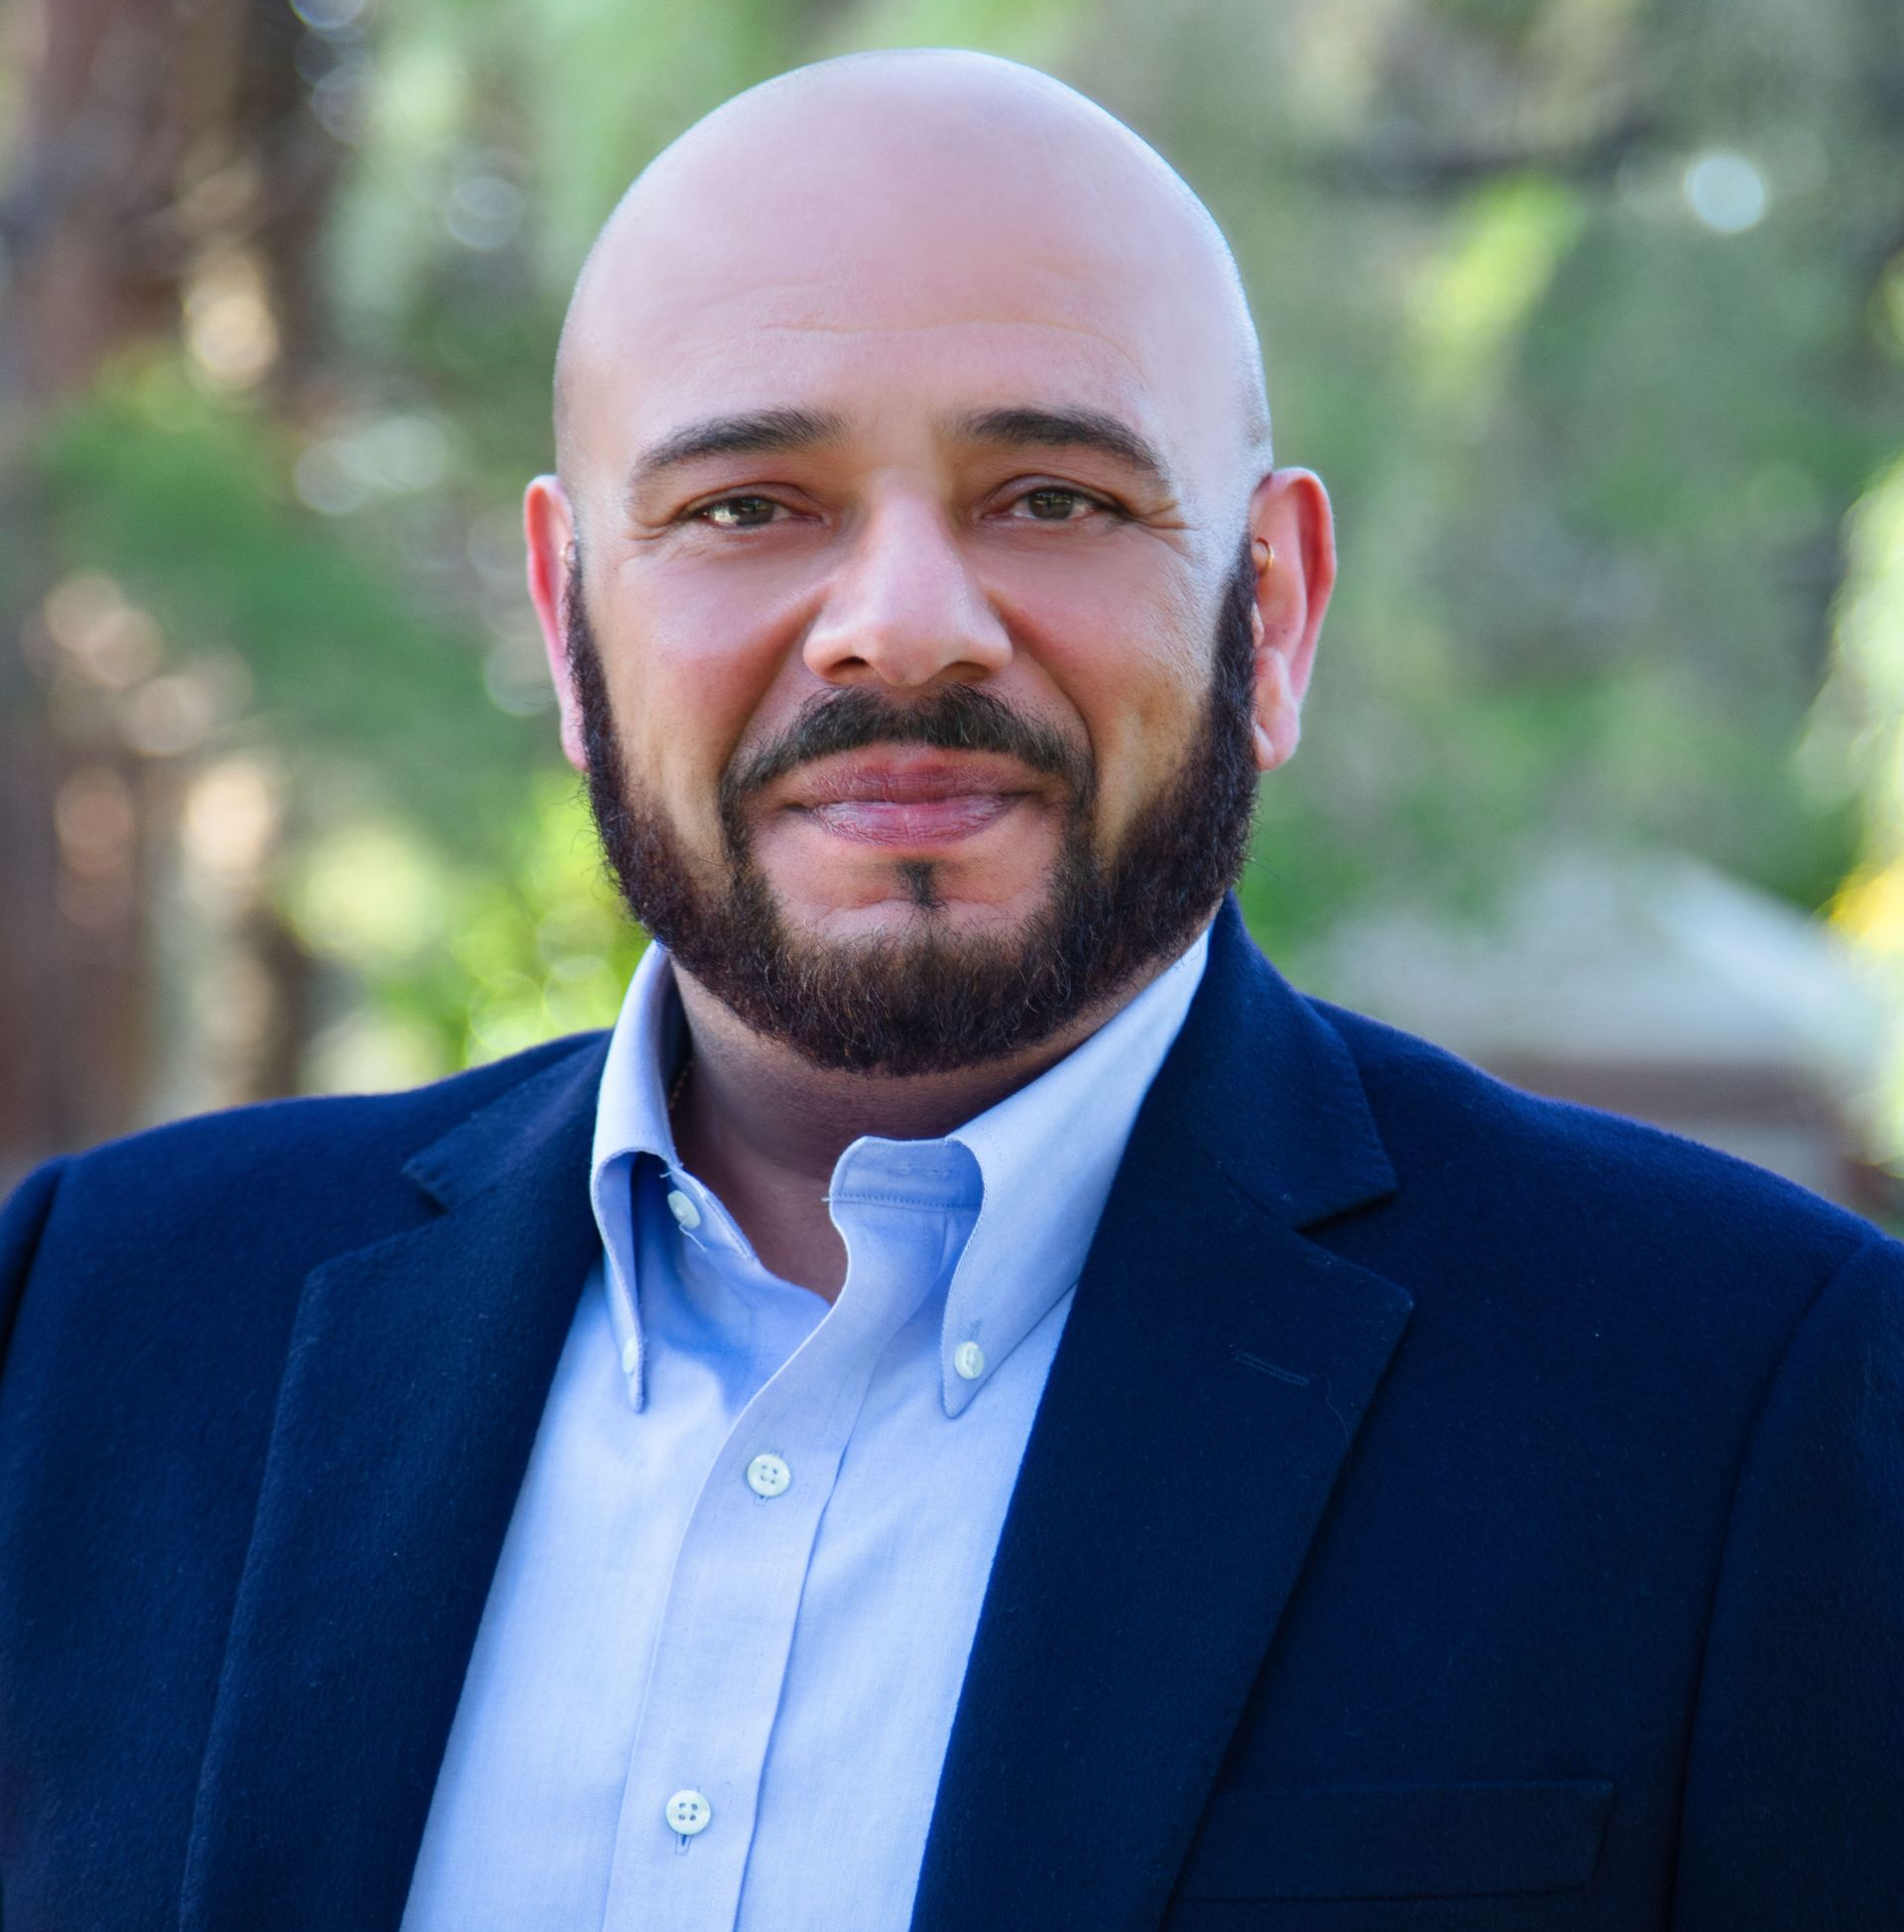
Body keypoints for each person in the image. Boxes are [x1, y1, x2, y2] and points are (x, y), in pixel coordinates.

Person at [0, 48, 1898, 1932]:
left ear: (1278, 608)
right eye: (749, 505)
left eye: (1053, 496)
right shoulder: (88, 1328)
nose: (903, 622)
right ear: (568, 627)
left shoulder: (1750, 1398)